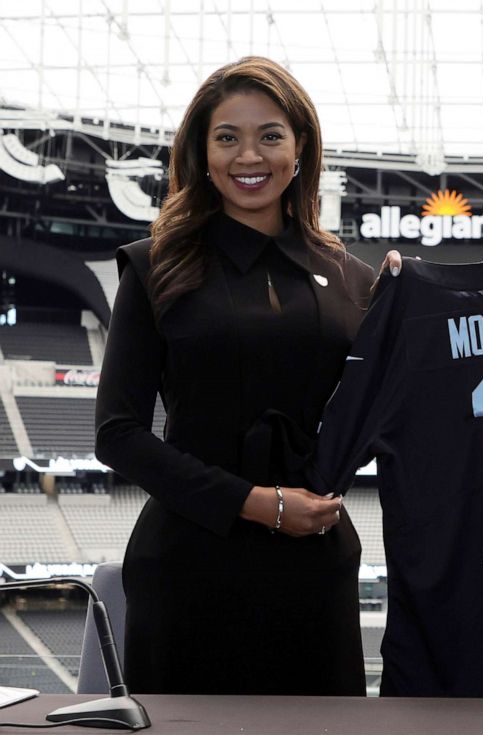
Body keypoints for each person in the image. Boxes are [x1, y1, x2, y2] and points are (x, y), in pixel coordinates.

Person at [95, 56, 399, 695]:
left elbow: (393, 411)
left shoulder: (354, 279)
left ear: (300, 149)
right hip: (187, 570)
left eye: (270, 135)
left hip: (315, 573)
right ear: (201, 152)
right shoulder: (155, 268)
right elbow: (117, 434)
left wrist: (415, 299)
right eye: (226, 136)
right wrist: (256, 504)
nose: (247, 155)